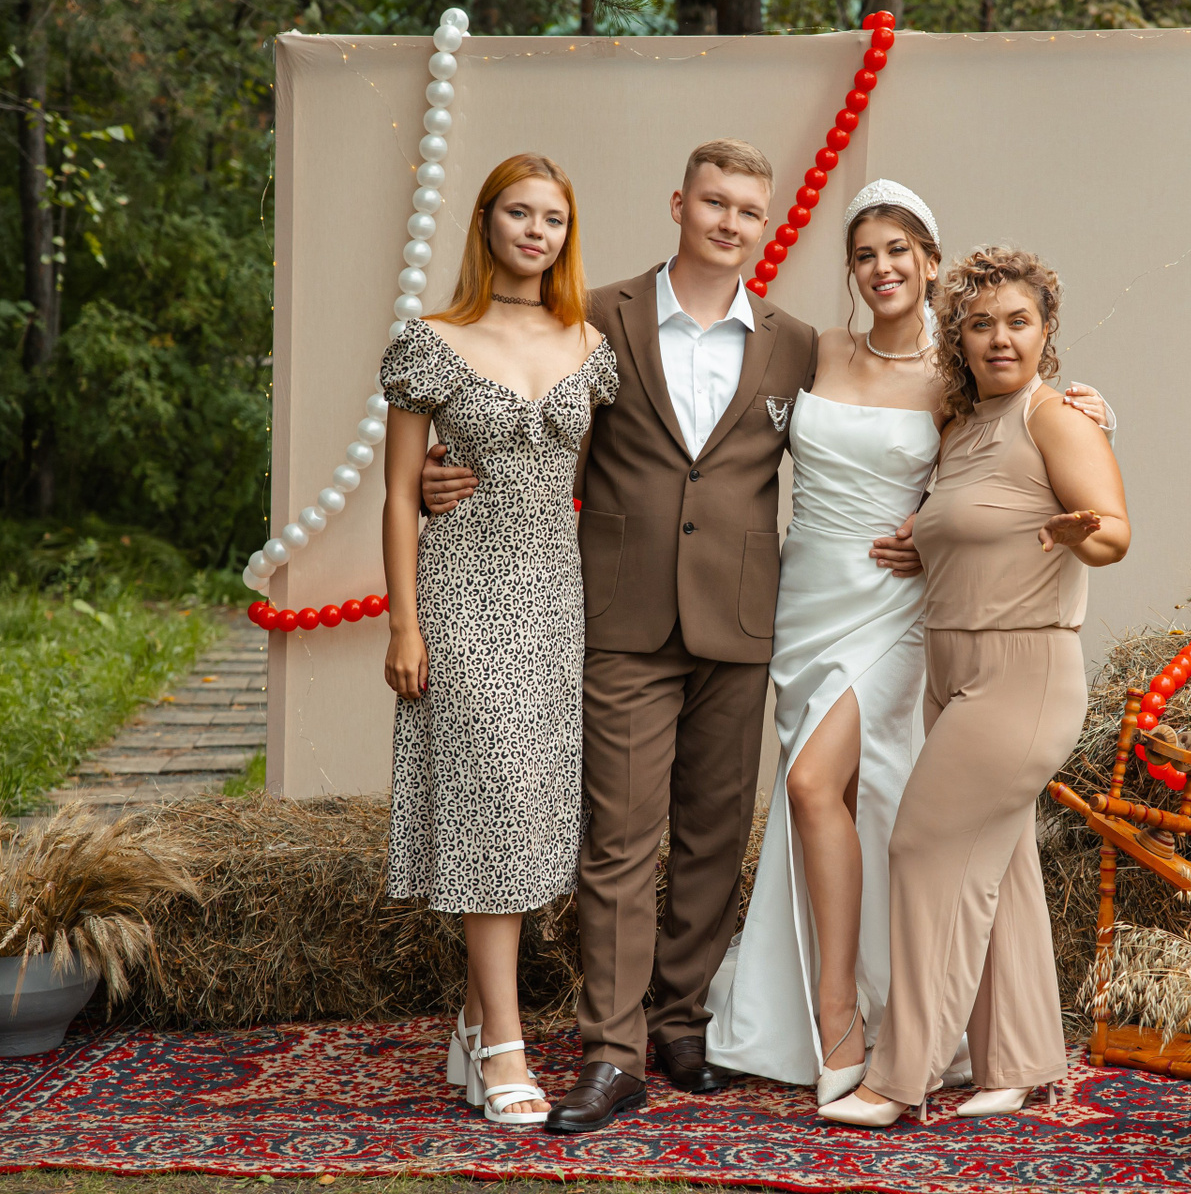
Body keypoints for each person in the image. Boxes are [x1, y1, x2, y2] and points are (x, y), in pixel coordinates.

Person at [418, 141, 918, 1134]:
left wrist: (1062, 405)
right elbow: (518, 402)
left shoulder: (796, 344)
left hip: (745, 616)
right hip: (622, 614)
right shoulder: (595, 316)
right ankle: (613, 1050)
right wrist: (449, 464)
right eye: (715, 202)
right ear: (679, 203)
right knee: (618, 837)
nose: (730, 222)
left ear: (765, 225)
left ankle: (682, 1021)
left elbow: (903, 395)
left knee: (713, 836)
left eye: (749, 210)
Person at [703, 182, 1111, 1105]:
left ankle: (845, 1021)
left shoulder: (959, 371)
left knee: (819, 787)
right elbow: (729, 439)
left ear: (931, 263)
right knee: (846, 801)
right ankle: (921, 1026)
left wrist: (1096, 417)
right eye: (864, 254)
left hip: (897, 607)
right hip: (807, 601)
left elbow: (1013, 452)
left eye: (900, 251)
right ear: (851, 271)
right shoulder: (816, 350)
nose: (882, 268)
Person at [819, 245, 1130, 1127]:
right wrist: (923, 543)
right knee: (1005, 868)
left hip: (1021, 673)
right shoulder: (960, 428)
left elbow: (1114, 533)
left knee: (922, 847)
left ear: (1045, 330)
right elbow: (969, 528)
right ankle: (1017, 1061)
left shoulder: (1056, 417)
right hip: (951, 669)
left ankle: (899, 1076)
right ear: (957, 337)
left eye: (1018, 322)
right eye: (981, 323)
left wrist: (1078, 533)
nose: (1001, 338)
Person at [379, 153, 617, 1127]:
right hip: (463, 594)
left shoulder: (590, 344)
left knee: (531, 808)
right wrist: (404, 621)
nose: (535, 232)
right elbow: (399, 494)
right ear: (486, 222)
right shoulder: (431, 343)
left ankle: (475, 1024)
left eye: (552, 219)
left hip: (553, 596)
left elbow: (585, 480)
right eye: (519, 213)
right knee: (494, 805)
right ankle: (507, 1047)